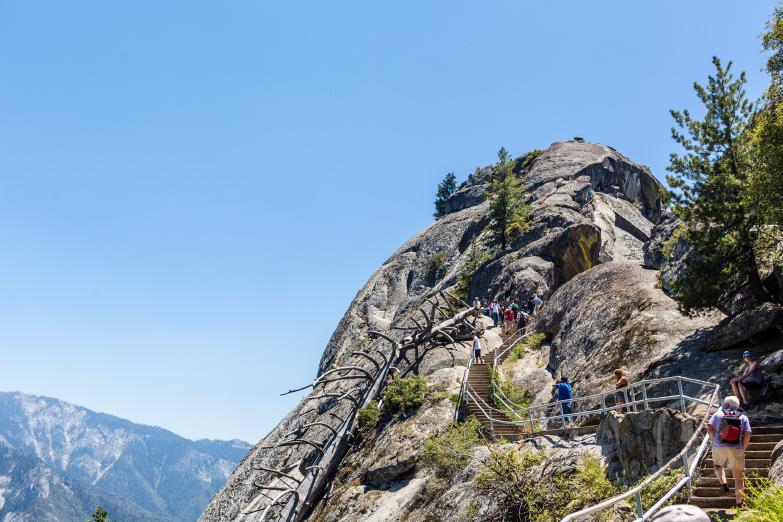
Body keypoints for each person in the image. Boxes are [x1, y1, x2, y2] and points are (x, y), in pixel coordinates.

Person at [707, 395, 751, 506]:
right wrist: (743, 448)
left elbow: (709, 427)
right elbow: (747, 434)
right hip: (736, 448)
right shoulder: (743, 417)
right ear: (737, 406)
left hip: (719, 447)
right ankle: (739, 503)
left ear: (725, 404)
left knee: (718, 466)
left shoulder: (717, 414)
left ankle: (724, 483)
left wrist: (714, 440)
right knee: (738, 478)